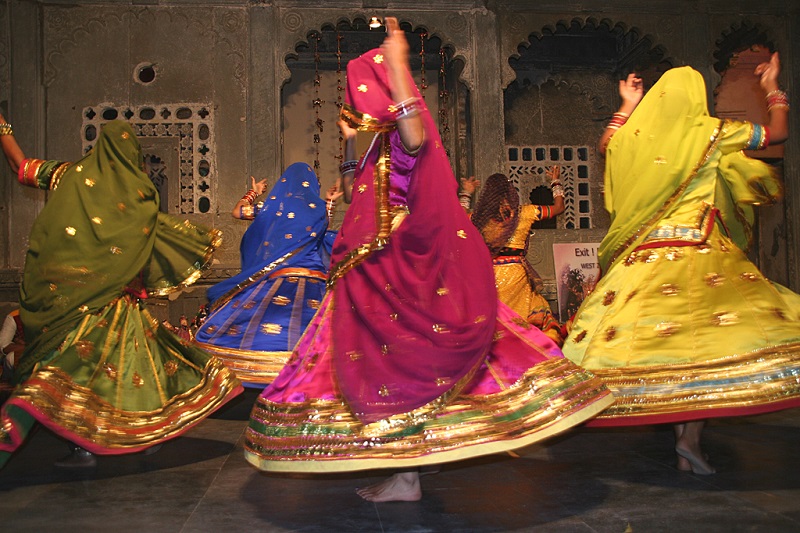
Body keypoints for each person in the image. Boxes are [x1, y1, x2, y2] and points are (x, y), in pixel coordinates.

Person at [243, 17, 613, 502]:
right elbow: (359, 190)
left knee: (406, 360)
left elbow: (414, 137)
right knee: (385, 363)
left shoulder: (404, 128)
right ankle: (407, 471)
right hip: (372, 261)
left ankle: (408, 475)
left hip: (398, 261)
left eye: (358, 97)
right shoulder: (378, 140)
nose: (355, 107)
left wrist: (397, 65)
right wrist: (353, 139)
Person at [562, 53, 800, 475]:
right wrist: (771, 87)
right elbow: (777, 133)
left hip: (643, 258)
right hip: (700, 252)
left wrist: (627, 107)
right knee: (704, 346)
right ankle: (689, 438)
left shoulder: (634, 137)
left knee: (663, 349)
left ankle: (684, 444)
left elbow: (607, 146)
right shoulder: (710, 131)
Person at [0, 117, 242, 468]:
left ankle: (90, 445)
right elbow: (152, 235)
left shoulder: (70, 175)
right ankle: (134, 438)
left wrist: (4, 129)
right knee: (130, 376)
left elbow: (19, 165)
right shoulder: (139, 190)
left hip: (70, 302)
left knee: (72, 372)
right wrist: (194, 240)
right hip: (116, 306)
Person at [193, 163, 340, 386]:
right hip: (314, 281)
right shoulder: (317, 208)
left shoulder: (274, 206)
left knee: (253, 323)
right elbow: (324, 227)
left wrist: (253, 192)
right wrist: (329, 202)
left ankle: (259, 369)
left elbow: (238, 211)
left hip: (278, 278)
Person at [468, 168, 566, 344]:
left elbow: (456, 218)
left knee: (492, 325)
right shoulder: (525, 212)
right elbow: (558, 208)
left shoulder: (479, 217)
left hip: (490, 276)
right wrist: (556, 182)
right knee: (529, 315)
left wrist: (466, 194)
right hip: (516, 274)